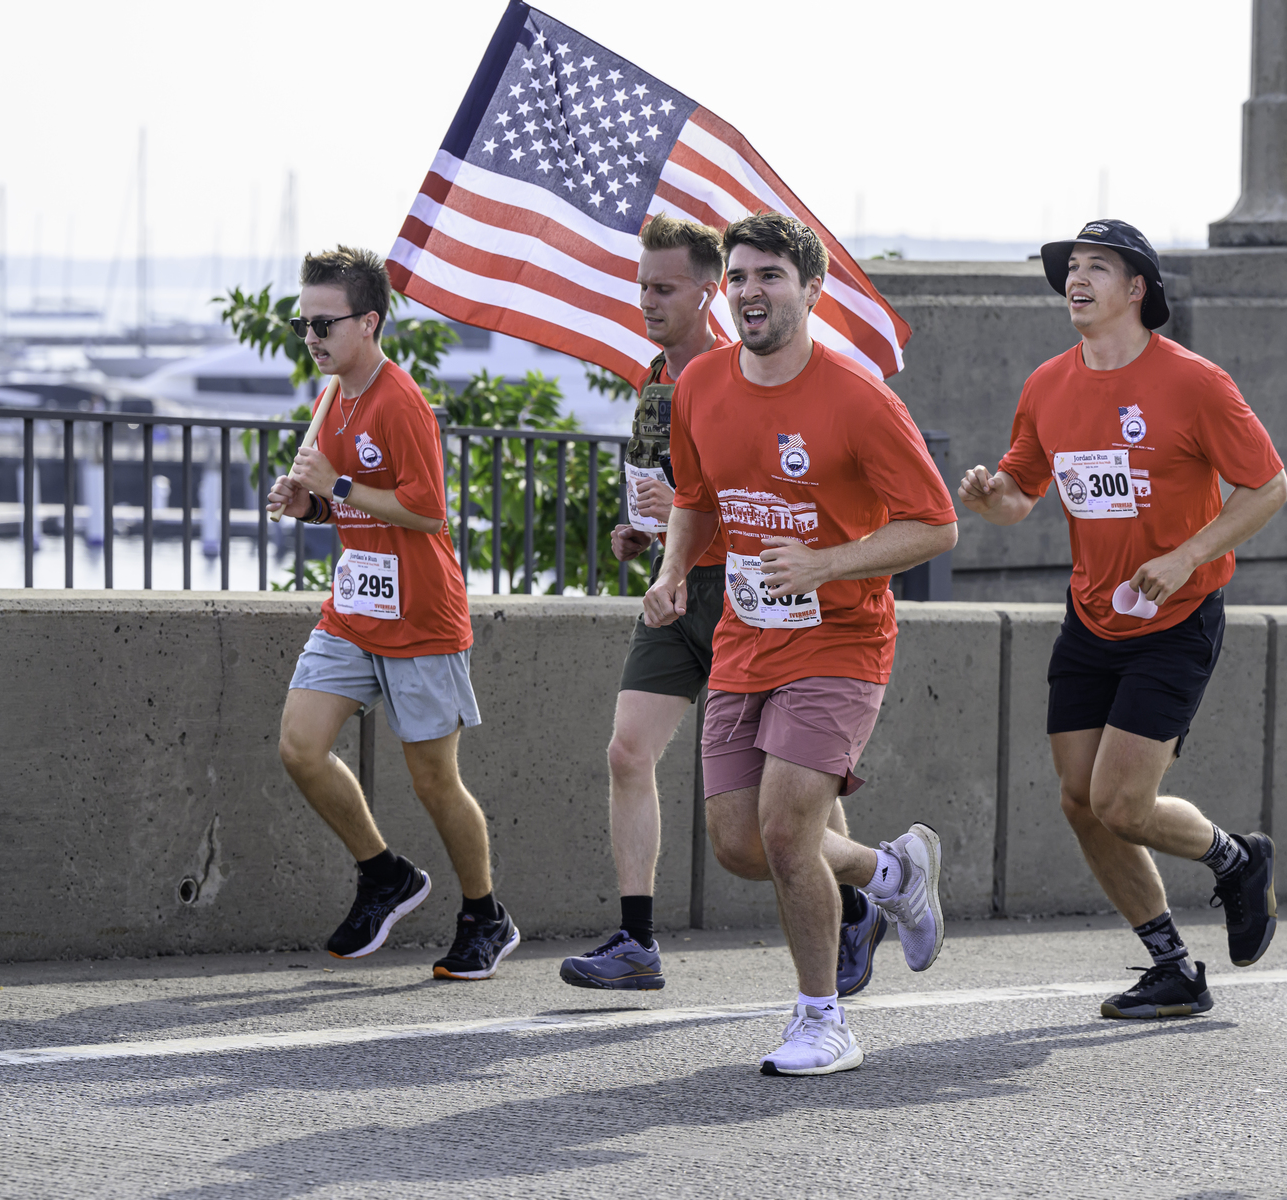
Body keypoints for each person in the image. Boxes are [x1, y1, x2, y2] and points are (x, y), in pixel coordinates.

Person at [644, 212, 959, 1075]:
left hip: (842, 638)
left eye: (770, 276)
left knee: (786, 833)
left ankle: (824, 1021)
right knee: (739, 846)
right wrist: (674, 571)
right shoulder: (702, 384)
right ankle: (891, 874)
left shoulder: (856, 398)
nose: (751, 291)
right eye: (739, 276)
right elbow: (697, 496)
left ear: (811, 290)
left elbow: (935, 525)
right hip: (746, 635)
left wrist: (825, 563)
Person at [957, 220, 1287, 1019]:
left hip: (1176, 618)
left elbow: (1269, 487)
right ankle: (1172, 966)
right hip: (1091, 619)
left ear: (1135, 288)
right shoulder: (1046, 386)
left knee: (1121, 803)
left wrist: (1183, 557)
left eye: (1096, 267)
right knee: (1080, 798)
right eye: (1070, 267)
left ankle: (1237, 859)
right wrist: (989, 498)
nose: (1076, 279)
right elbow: (1020, 495)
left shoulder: (1196, 383)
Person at [559, 215, 887, 996]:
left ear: (706, 292)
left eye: (664, 287)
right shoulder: (665, 377)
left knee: (789, 807)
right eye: (642, 285)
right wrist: (651, 542)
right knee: (629, 753)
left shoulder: (755, 366)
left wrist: (820, 560)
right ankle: (638, 938)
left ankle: (852, 917)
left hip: (770, 594)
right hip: (692, 592)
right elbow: (689, 491)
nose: (647, 299)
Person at [268, 245, 518, 981]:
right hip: (352, 608)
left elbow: (426, 513)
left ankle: (485, 914)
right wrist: (308, 504)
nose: (311, 337)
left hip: (421, 618)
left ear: (369, 322)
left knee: (434, 781)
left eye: (324, 324)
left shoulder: (397, 399)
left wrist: (337, 487)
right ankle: (385, 874)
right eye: (303, 323)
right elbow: (341, 501)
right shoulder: (332, 395)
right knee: (299, 748)